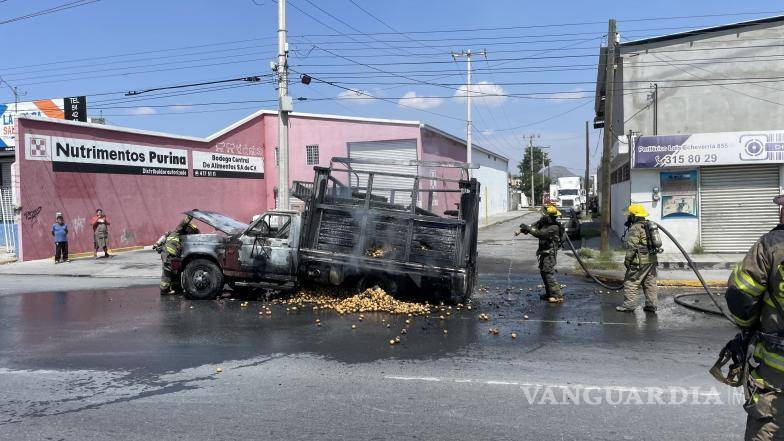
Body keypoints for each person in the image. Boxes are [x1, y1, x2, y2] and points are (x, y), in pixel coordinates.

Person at [725, 195, 784, 441]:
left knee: (767, 425)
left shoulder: (772, 245)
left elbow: (740, 292)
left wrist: (748, 325)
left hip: (777, 367)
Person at [515, 204, 565, 303]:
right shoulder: (544, 223)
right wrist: (523, 229)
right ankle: (549, 293)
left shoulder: (554, 227)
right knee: (543, 272)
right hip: (544, 252)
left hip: (549, 253)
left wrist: (529, 229)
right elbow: (533, 227)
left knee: (548, 273)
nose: (543, 217)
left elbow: (540, 234)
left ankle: (557, 295)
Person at [616, 204, 661, 313]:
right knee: (650, 283)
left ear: (634, 216)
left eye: (630, 215)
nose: (628, 217)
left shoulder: (636, 227)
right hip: (652, 260)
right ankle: (651, 305)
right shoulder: (649, 225)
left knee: (631, 282)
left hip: (639, 261)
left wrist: (627, 260)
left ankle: (629, 305)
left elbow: (632, 246)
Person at [154, 216, 199, 295]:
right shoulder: (178, 231)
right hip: (168, 254)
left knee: (176, 272)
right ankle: (164, 290)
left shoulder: (183, 237)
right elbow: (183, 223)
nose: (191, 233)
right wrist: (190, 217)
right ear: (188, 228)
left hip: (175, 256)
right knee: (168, 271)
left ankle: (177, 289)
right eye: (192, 231)